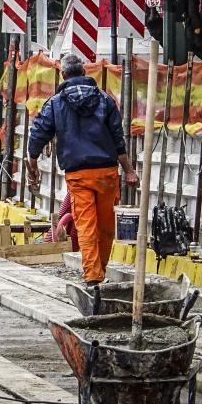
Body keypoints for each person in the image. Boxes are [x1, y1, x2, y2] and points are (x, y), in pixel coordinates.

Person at [26, 53, 138, 286]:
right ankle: (100, 270)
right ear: (85, 72)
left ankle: (94, 276)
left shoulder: (55, 103)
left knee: (86, 225)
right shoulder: (105, 100)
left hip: (78, 175)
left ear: (63, 75)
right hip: (106, 172)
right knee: (106, 226)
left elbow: (38, 133)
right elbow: (119, 138)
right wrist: (128, 170)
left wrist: (33, 163)